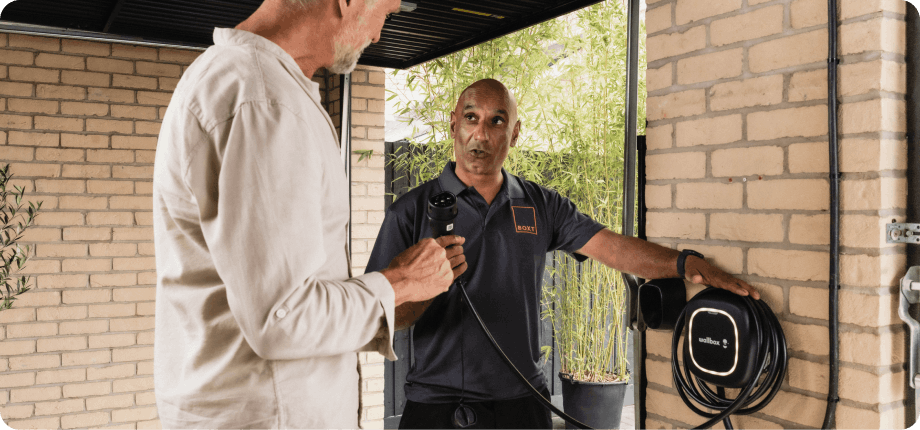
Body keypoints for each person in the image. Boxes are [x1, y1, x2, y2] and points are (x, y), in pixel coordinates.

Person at [365, 78, 760, 429]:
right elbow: (382, 315)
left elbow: (612, 247)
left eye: (496, 121)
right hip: (438, 405)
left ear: (515, 133)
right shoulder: (412, 210)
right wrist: (428, 284)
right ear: (454, 123)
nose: (481, 134)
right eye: (471, 118)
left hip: (524, 402)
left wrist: (684, 264)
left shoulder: (540, 204)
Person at [151, 0, 467, 428]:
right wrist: (401, 282)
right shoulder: (264, 102)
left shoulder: (239, 81)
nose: (377, 34)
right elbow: (282, 318)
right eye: (385, 13)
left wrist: (397, 290)